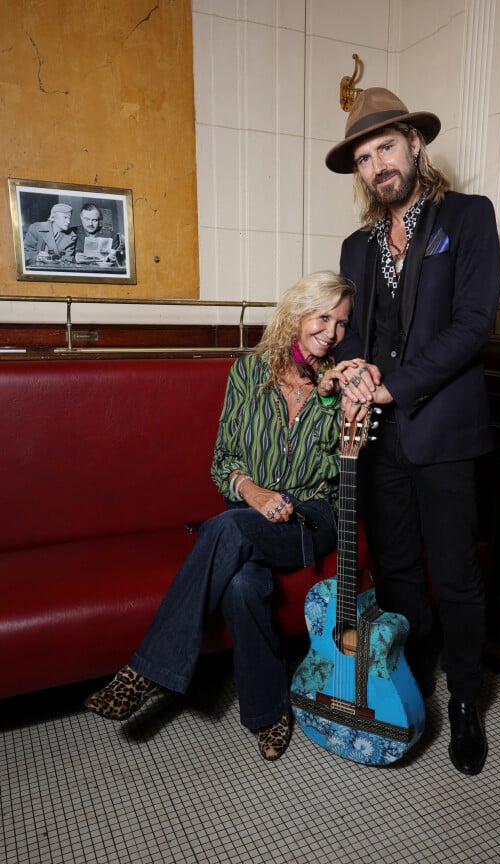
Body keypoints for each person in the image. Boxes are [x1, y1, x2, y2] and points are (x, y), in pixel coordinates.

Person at [85, 271, 365, 761]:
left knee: (224, 526)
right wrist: (254, 493)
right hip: (251, 515)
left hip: (313, 518)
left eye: (342, 324)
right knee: (241, 585)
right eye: (323, 317)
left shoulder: (343, 383)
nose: (332, 332)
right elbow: (223, 461)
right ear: (297, 314)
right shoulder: (247, 373)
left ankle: (149, 670)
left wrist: (333, 399)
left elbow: (335, 469)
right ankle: (270, 712)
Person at [325, 87, 500, 775]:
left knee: (456, 577)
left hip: (446, 434)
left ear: (415, 144)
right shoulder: (355, 246)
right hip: (377, 440)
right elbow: (345, 336)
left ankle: (464, 703)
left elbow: (473, 324)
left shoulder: (469, 217)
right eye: (364, 159)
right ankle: (416, 676)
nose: (376, 167)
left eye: (385, 148)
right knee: (398, 571)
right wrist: (347, 373)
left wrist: (394, 384)